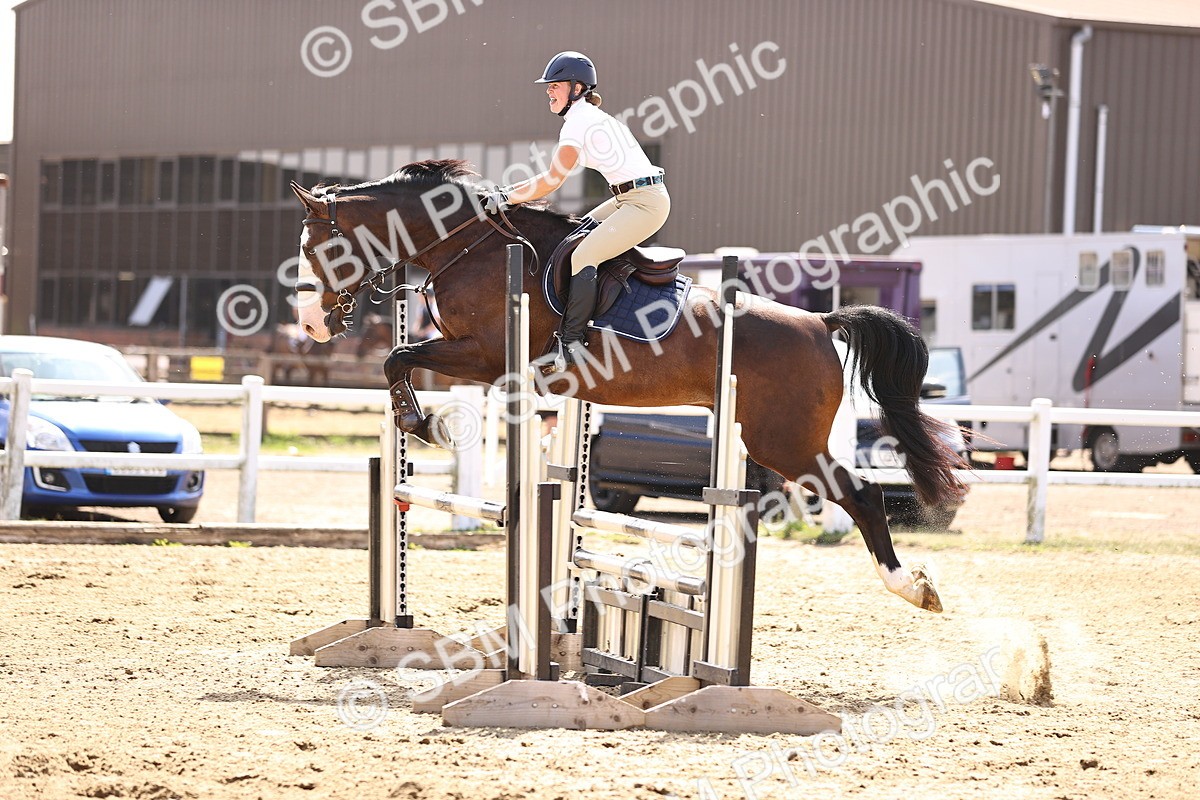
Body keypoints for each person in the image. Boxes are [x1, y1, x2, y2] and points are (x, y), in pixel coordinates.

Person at [484, 51, 670, 371]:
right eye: (549, 86)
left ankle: (571, 343)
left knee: (583, 256)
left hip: (644, 202)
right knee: (575, 234)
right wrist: (508, 194)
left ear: (577, 88)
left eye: (555, 85)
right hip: (629, 198)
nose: (548, 91)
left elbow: (552, 180)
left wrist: (506, 197)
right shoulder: (586, 118)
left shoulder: (579, 123)